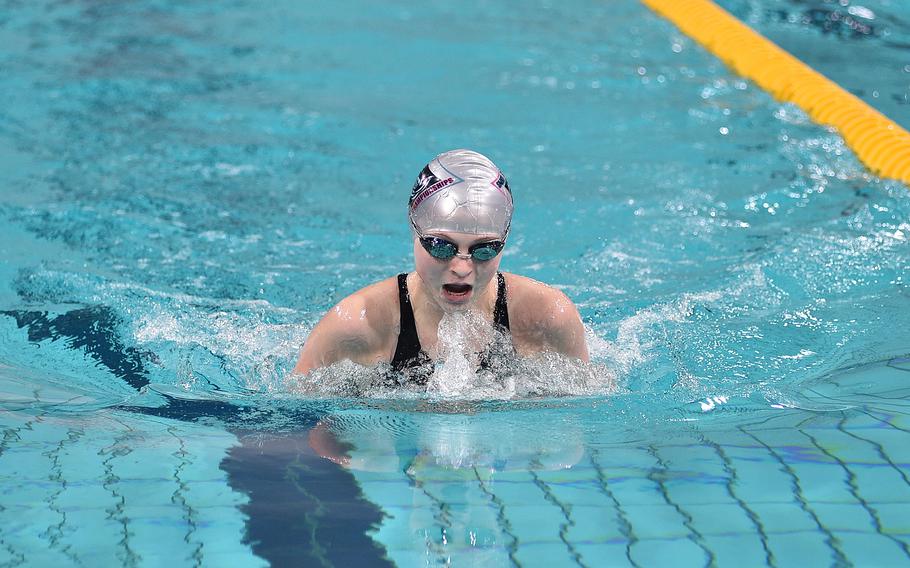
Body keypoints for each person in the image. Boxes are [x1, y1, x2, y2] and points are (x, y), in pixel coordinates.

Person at [292, 149, 588, 381]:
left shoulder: (548, 318)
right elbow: (296, 430)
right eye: (441, 247)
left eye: (484, 250)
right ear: (414, 230)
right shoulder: (355, 326)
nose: (461, 267)